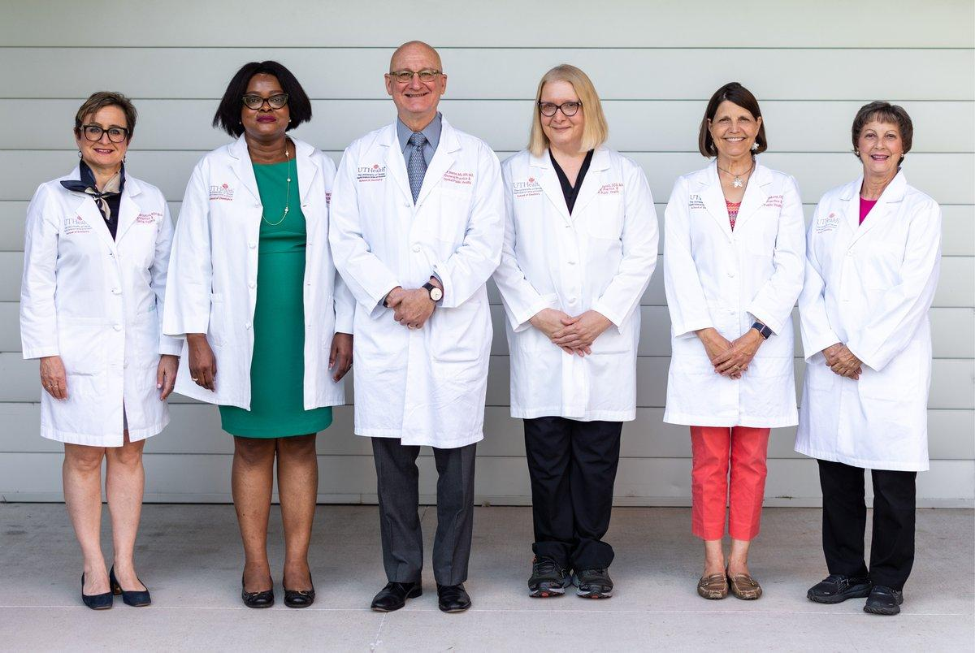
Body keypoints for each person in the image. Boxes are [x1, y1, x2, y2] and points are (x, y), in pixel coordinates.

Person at [163, 61, 354, 609]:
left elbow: (345, 255)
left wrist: (344, 326)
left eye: (275, 99)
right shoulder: (213, 172)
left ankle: (296, 561)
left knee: (299, 442)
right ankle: (255, 563)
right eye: (253, 100)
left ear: (292, 106)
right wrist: (195, 337)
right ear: (236, 110)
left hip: (306, 327)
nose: (265, 108)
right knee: (250, 445)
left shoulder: (323, 168)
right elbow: (190, 258)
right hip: (238, 332)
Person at [329, 41, 503, 614]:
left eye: (426, 73)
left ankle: (451, 576)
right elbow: (345, 240)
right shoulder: (360, 155)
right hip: (387, 328)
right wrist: (390, 294)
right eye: (404, 74)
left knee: (456, 468)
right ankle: (402, 574)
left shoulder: (475, 157)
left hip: (450, 327)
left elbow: (487, 242)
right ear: (387, 83)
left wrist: (433, 292)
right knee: (393, 468)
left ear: (443, 82)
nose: (415, 83)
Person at [493, 64, 658, 599]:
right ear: (538, 113)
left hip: (602, 337)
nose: (559, 116)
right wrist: (540, 315)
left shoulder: (623, 174)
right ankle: (549, 555)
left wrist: (600, 317)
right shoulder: (515, 172)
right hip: (540, 336)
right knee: (546, 457)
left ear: (589, 108)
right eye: (548, 106)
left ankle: (590, 556)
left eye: (569, 105)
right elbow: (499, 251)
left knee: (594, 457)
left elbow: (641, 255)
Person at [20, 91, 180, 609]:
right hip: (77, 352)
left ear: (129, 140)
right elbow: (37, 283)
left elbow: (166, 282)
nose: (105, 139)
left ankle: (125, 563)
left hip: (139, 349)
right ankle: (93, 563)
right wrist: (46, 352)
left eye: (116, 131)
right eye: (95, 129)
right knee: (85, 454)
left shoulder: (150, 201)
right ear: (78, 136)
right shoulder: (52, 197)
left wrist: (169, 349)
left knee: (130, 451)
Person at [663, 82, 805, 600]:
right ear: (709, 128)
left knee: (750, 460)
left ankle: (741, 562)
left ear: (758, 127)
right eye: (723, 120)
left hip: (758, 346)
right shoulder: (688, 190)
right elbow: (677, 266)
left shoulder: (781, 188)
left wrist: (752, 336)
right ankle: (712, 563)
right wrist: (708, 335)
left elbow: (791, 266)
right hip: (705, 346)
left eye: (744, 119)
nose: (734, 129)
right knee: (707, 462)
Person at [798, 102, 941, 616]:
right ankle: (844, 572)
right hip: (832, 358)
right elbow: (809, 278)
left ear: (904, 146)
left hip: (888, 364)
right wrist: (828, 344)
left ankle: (887, 580)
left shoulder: (920, 210)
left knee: (892, 478)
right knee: (836, 474)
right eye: (870, 134)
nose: (879, 144)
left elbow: (913, 292)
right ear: (856, 142)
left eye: (890, 136)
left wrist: (862, 351)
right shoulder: (832, 204)